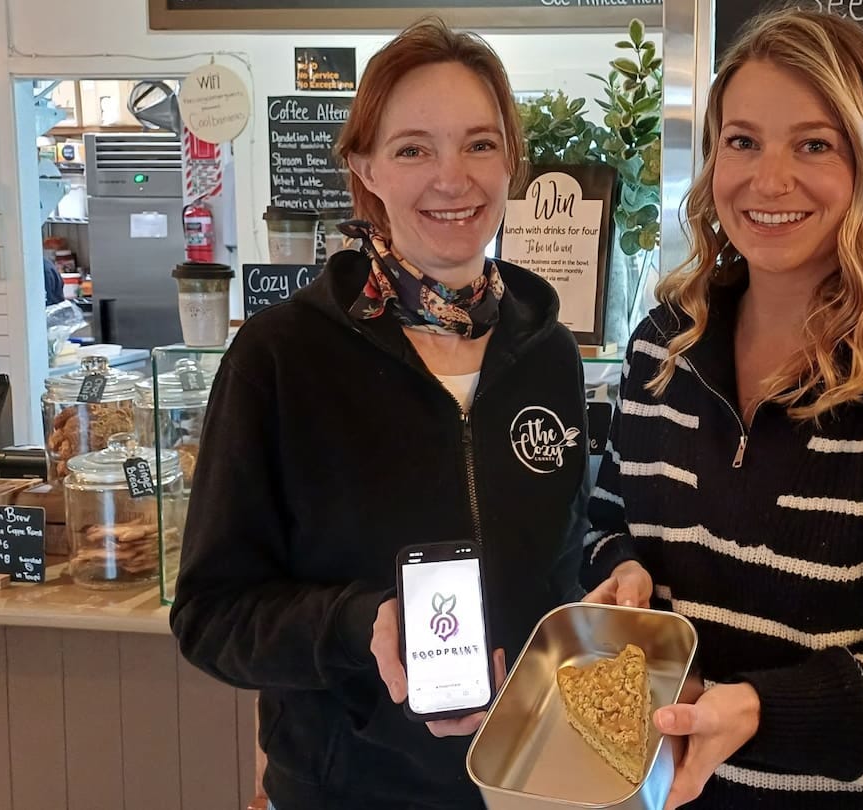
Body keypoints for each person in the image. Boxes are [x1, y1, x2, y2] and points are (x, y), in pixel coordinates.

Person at [583, 9, 863, 809]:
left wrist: (763, 711)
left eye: (814, 144)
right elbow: (607, 518)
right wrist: (619, 569)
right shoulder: (662, 349)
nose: (768, 180)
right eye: (743, 140)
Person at [171, 18, 589, 810]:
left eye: (479, 144)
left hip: (533, 782)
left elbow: (559, 566)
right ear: (364, 166)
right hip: (350, 789)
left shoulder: (548, 353)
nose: (452, 178)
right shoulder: (281, 358)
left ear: (512, 163)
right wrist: (361, 627)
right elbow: (210, 616)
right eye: (412, 149)